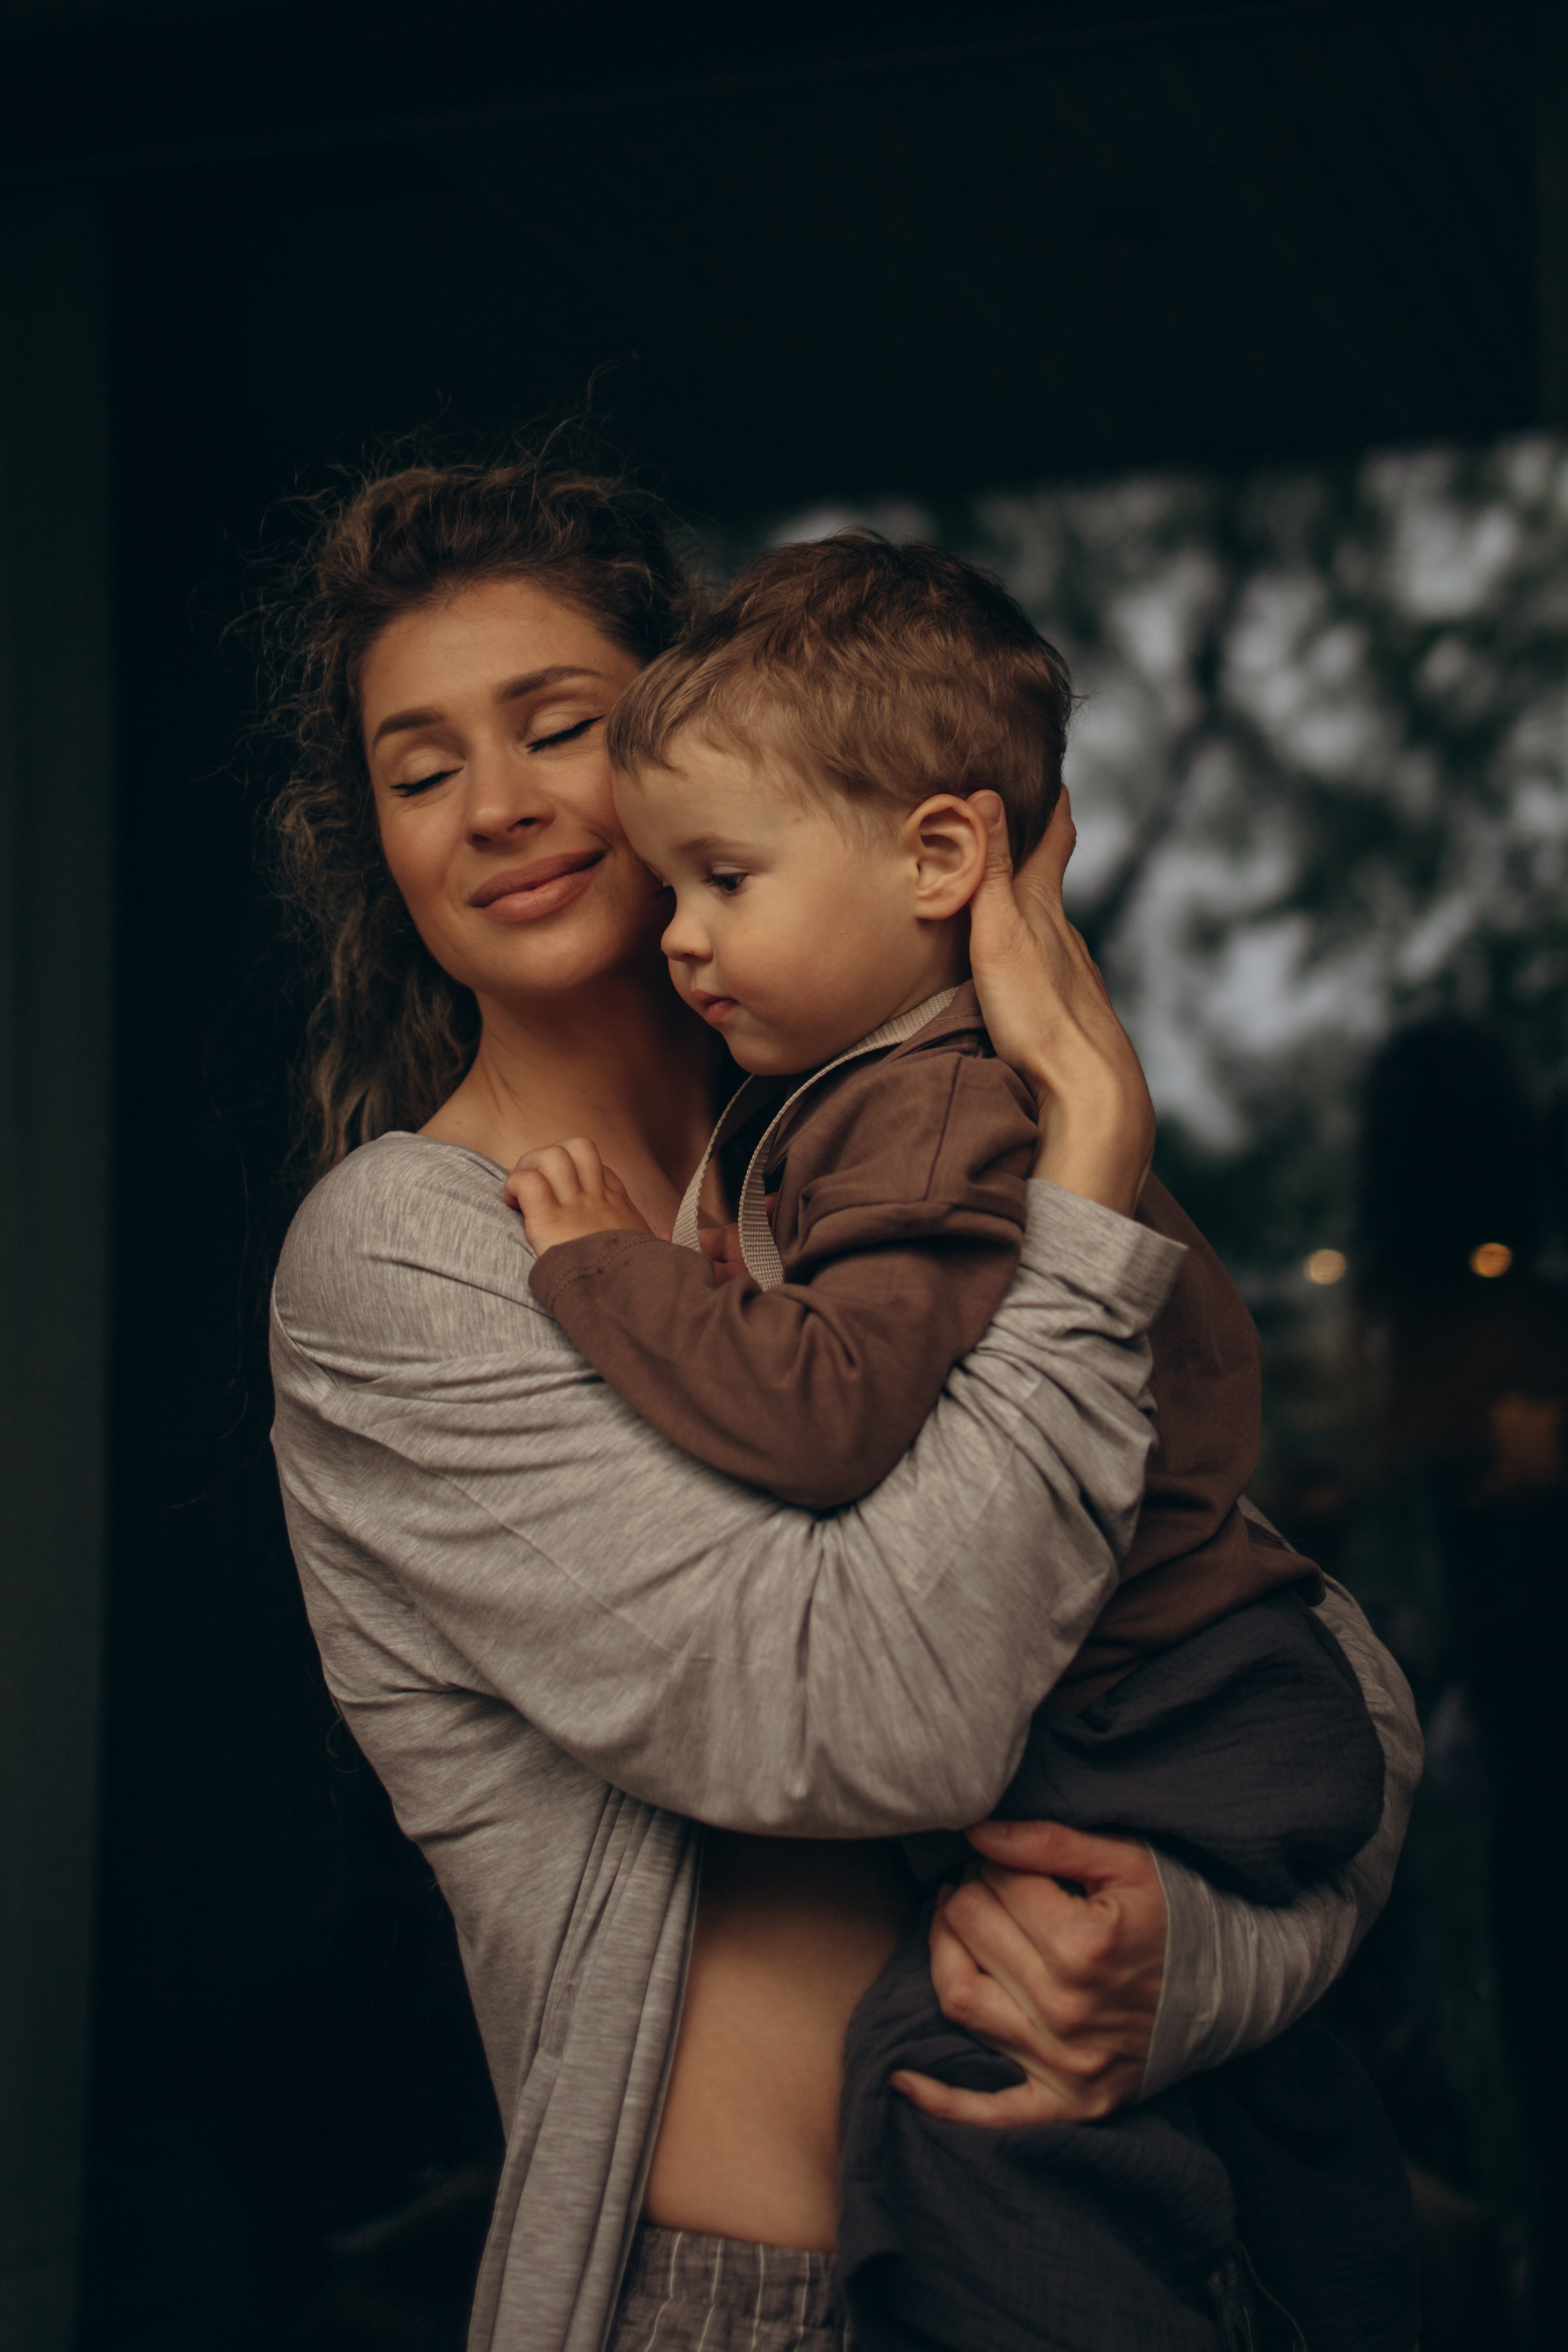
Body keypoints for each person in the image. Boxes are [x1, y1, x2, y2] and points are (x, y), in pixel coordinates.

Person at [263, 457, 1420, 2352]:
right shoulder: (407, 1262)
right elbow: (880, 1720)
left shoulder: (878, 1159)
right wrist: (1091, 1183)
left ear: (701, 754)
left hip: (1115, 2248)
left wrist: (1194, 1966)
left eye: (563, 729)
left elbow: (1324, 1677)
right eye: (417, 770)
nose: (499, 807)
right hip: (740, 2301)